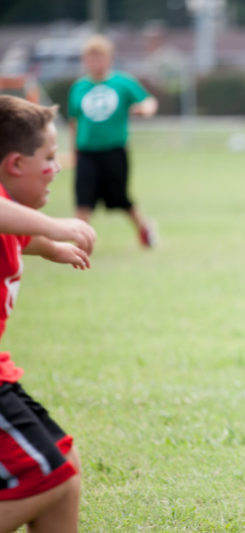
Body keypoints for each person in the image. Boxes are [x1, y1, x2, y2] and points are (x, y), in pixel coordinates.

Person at [0, 94, 96, 532]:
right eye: (49, 158)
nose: (57, 168)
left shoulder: (14, 219)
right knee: (45, 477)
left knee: (65, 465)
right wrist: (54, 226)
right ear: (16, 164)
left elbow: (15, 230)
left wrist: (52, 248)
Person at [67, 34, 158, 248]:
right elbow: (74, 122)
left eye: (99, 58)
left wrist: (145, 110)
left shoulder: (122, 83)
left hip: (114, 151)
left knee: (121, 199)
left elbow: (149, 101)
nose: (95, 63)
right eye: (91, 59)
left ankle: (145, 231)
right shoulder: (79, 88)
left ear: (109, 59)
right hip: (86, 152)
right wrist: (74, 152)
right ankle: (80, 248)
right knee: (83, 202)